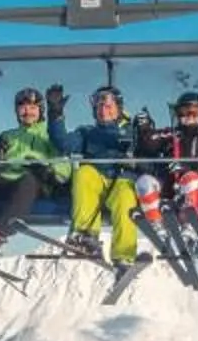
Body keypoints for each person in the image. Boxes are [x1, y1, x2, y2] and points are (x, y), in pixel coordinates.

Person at [59, 84, 145, 265]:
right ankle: (86, 236)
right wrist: (55, 115)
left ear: (118, 109)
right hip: (96, 179)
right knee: (83, 173)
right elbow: (64, 144)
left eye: (108, 107)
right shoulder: (87, 132)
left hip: (121, 179)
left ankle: (124, 255)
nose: (103, 111)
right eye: (99, 107)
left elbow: (149, 150)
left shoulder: (133, 132)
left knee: (125, 198)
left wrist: (142, 135)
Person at [0, 86, 71, 249]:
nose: (27, 111)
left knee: (28, 179)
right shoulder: (6, 136)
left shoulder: (50, 135)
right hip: (6, 182)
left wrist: (49, 171)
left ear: (40, 110)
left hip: (36, 183)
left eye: (33, 107)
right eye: (22, 107)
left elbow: (64, 164)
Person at [134, 90, 198, 235]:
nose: (190, 117)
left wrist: (194, 168)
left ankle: (189, 224)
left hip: (197, 187)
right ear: (178, 114)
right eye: (185, 112)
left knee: (190, 177)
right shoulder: (171, 133)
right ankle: (156, 223)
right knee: (144, 182)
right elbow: (148, 144)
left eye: (194, 112)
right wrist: (144, 127)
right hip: (169, 185)